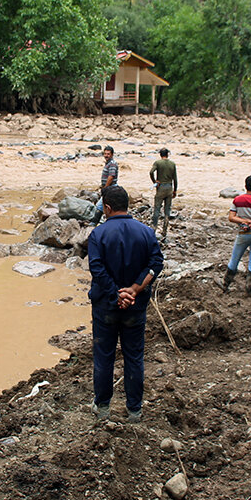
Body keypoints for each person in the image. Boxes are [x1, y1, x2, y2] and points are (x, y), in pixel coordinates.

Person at [88, 186, 164, 423]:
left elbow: (97, 269)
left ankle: (102, 408)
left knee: (103, 357)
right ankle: (134, 410)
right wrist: (135, 289)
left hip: (105, 307)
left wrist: (116, 294)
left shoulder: (97, 235)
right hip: (135, 306)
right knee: (133, 357)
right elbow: (156, 263)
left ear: (107, 208)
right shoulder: (146, 232)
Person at [224, 175, 251, 291]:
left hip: (243, 233)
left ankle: (226, 285)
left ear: (245, 185)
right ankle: (249, 287)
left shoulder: (238, 200)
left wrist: (243, 221)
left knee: (235, 258)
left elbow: (231, 217)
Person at [149, 148, 178, 239]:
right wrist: (175, 190)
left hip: (161, 187)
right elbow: (175, 179)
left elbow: (151, 172)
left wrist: (155, 181)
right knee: (167, 210)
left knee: (157, 209)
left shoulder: (158, 163)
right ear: (167, 154)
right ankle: (164, 230)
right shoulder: (172, 164)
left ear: (160, 154)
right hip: (169, 187)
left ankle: (154, 229)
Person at [91, 145, 119, 224]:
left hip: (111, 188)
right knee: (108, 207)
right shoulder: (108, 163)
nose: (106, 156)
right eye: (105, 154)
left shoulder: (112, 164)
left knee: (99, 206)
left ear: (112, 155)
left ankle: (93, 224)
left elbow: (111, 177)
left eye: (108, 154)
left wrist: (105, 188)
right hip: (109, 188)